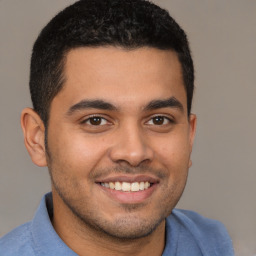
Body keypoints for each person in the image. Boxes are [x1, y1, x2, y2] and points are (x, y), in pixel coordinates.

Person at [0, 0, 234, 255]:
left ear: (189, 136)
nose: (134, 153)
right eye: (95, 121)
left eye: (159, 120)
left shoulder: (224, 247)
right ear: (36, 138)